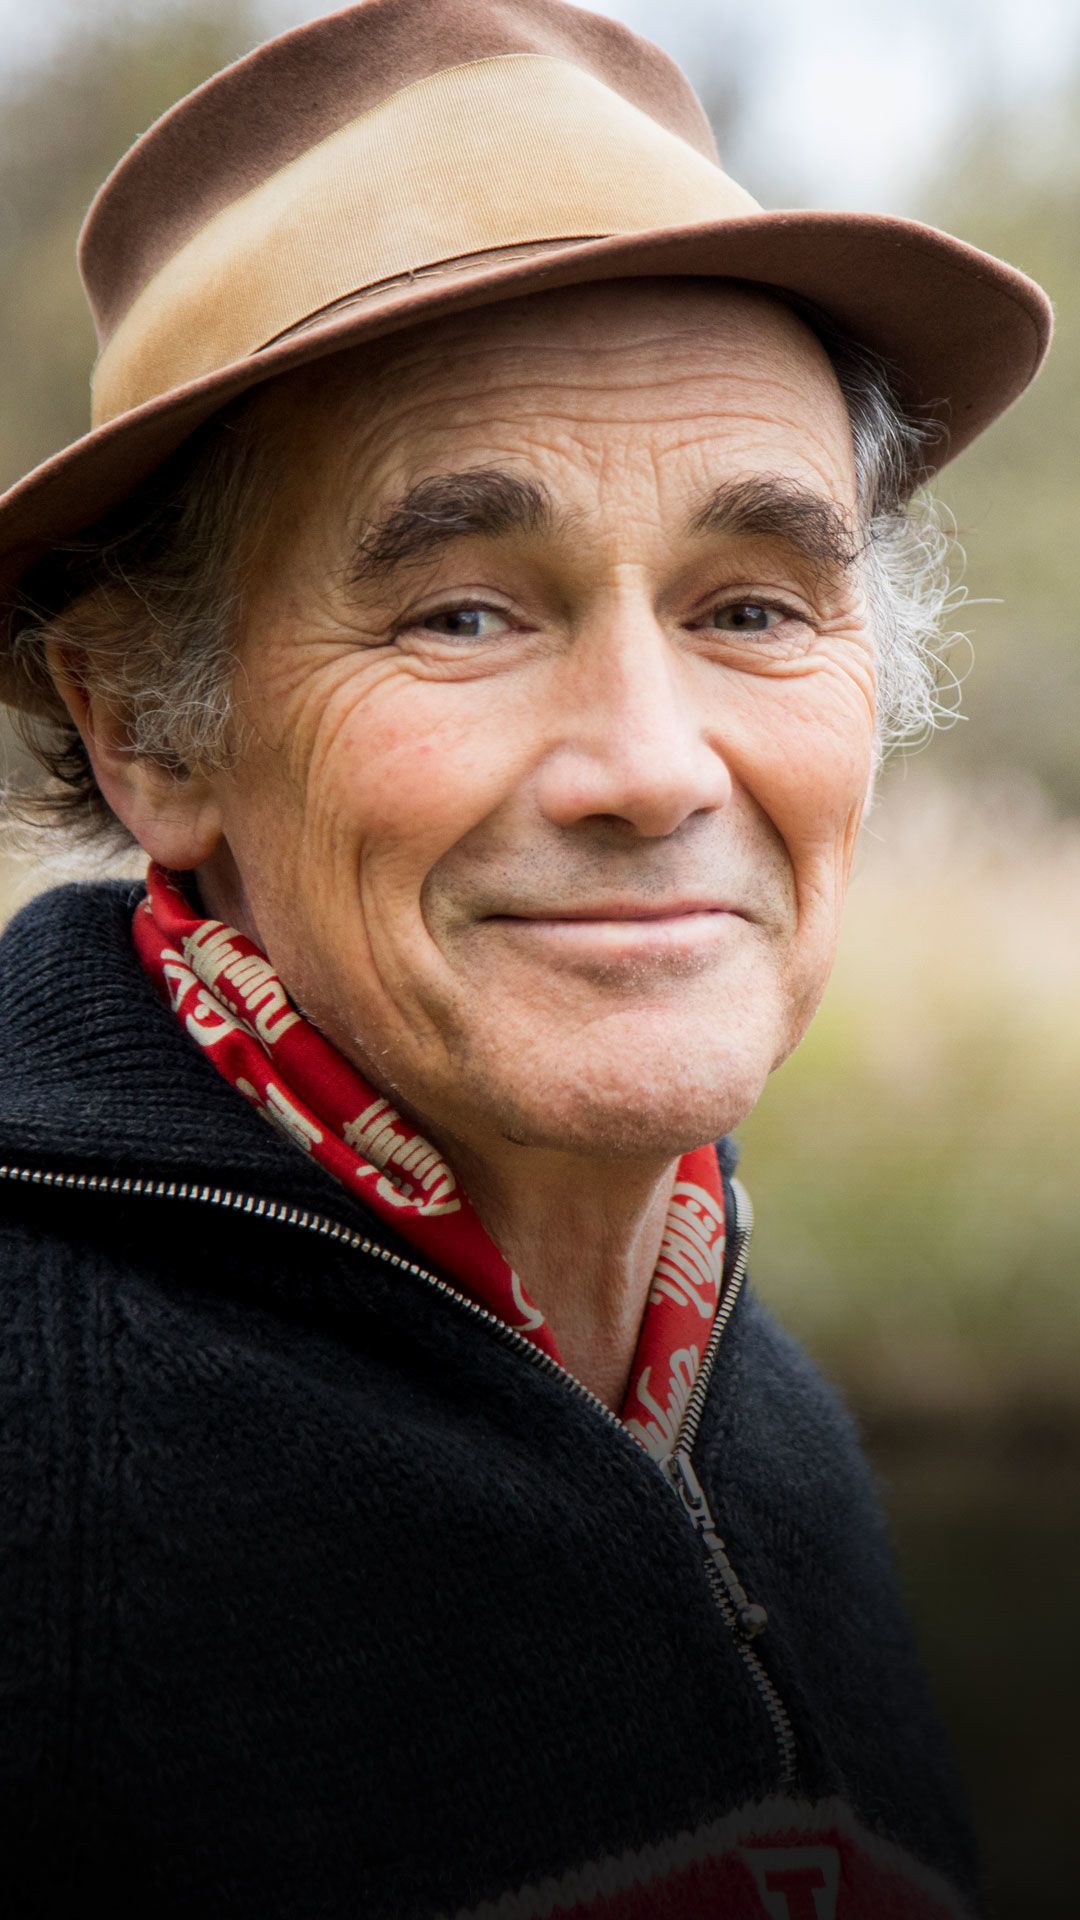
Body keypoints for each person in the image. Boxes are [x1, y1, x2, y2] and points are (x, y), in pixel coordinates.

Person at [0, 2, 1051, 1916]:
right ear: (152, 730)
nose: (653, 768)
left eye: (752, 605)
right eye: (465, 613)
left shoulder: (744, 1384)